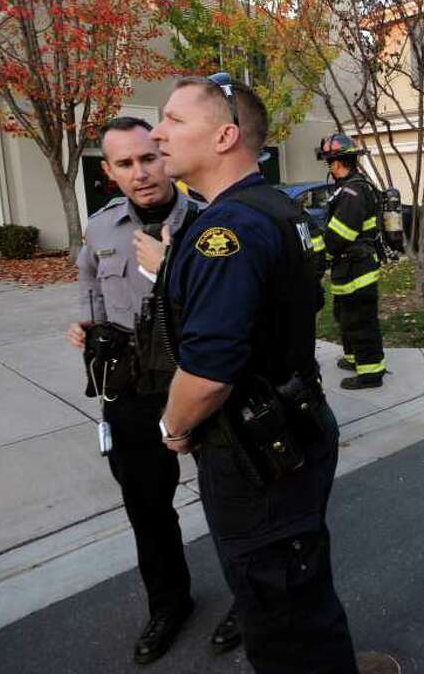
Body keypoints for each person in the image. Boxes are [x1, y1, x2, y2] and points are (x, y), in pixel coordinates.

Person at [150, 73, 358, 673]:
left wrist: (174, 424)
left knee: (283, 619)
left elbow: (211, 372)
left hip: (257, 452)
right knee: (302, 600)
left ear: (225, 136)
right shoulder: (276, 208)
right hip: (293, 427)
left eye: (174, 120)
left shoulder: (228, 230)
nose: (160, 133)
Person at [70, 116, 240, 665]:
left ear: (166, 156)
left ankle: (249, 597)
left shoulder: (210, 223)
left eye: (149, 157)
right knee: (146, 505)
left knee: (229, 495)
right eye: (125, 164)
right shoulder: (100, 228)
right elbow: (90, 285)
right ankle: (170, 603)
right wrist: (87, 329)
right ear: (110, 173)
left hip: (198, 378)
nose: (141, 173)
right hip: (132, 386)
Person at [313, 133, 386, 390]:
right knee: (345, 316)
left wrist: (319, 256)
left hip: (357, 269)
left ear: (338, 163)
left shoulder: (352, 192)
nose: (330, 168)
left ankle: (370, 373)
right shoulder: (352, 188)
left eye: (330, 162)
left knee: (360, 321)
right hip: (350, 269)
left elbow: (340, 235)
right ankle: (355, 358)